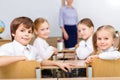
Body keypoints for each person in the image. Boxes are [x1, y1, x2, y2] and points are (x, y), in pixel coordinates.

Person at [0, 16, 72, 72]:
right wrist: (21, 58)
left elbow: (41, 61)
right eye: (22, 31)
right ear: (13, 33)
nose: (26, 34)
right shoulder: (7, 47)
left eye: (29, 32)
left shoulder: (33, 49)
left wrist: (58, 63)